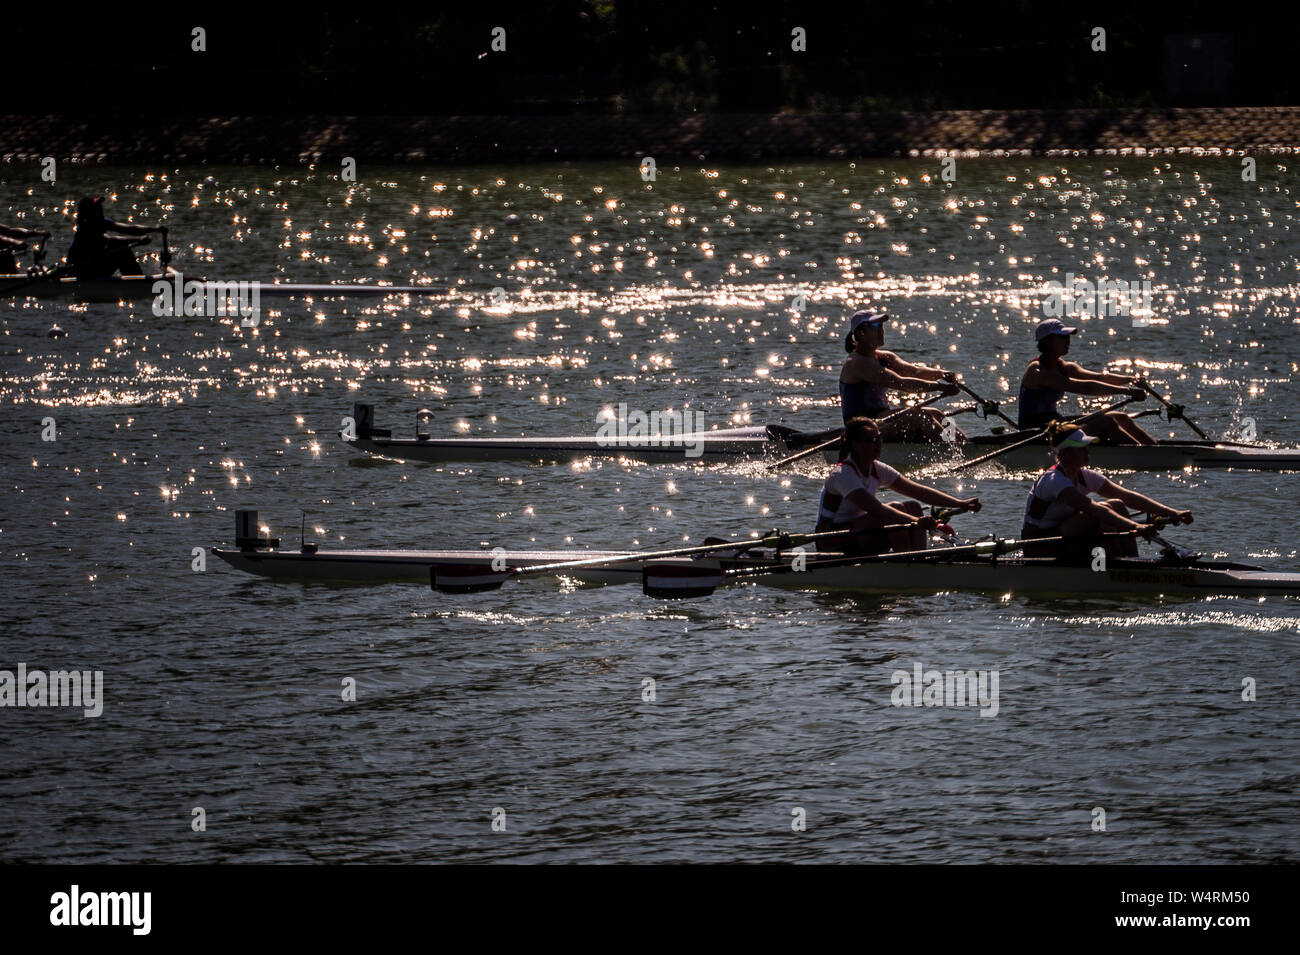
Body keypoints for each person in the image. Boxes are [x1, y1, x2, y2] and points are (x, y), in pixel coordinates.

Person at [1021, 425, 1192, 560]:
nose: (1087, 451)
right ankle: (1113, 564)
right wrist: (1136, 527)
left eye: (1087, 446)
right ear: (1065, 453)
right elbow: (1093, 508)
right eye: (1081, 447)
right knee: (1096, 514)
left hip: (1067, 538)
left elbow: (1127, 497)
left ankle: (1131, 561)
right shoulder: (1053, 480)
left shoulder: (1085, 476)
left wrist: (1173, 513)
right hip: (1040, 544)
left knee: (1117, 504)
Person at [817, 415, 981, 554]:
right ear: (855, 444)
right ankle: (906, 563)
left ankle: (918, 557)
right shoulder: (843, 474)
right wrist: (917, 521)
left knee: (914, 505)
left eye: (879, 438)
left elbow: (920, 492)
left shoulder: (876, 469)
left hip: (861, 533)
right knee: (897, 508)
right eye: (871, 440)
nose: (878, 444)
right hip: (831, 541)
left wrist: (960, 503)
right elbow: (876, 509)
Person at [1018, 318, 1155, 444]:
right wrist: (1128, 392)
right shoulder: (1037, 371)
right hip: (1036, 431)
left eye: (1068, 337)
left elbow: (1099, 378)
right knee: (1106, 422)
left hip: (1055, 423)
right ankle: (1143, 458)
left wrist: (1131, 379)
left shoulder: (1064, 367)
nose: (1067, 341)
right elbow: (1086, 388)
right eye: (1062, 337)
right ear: (1047, 341)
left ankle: (1155, 450)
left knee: (1121, 417)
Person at [840, 309, 963, 442]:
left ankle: (966, 445)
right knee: (920, 416)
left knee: (937, 414)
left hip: (881, 418)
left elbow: (915, 372)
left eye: (881, 325)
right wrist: (941, 388)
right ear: (860, 333)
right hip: (861, 426)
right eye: (875, 326)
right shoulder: (857, 362)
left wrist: (941, 374)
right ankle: (953, 453)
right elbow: (901, 383)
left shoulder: (884, 357)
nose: (881, 330)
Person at [66, 196, 164, 280]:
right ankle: (138, 283)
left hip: (92, 267)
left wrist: (155, 229)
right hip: (80, 271)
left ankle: (137, 280)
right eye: (97, 207)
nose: (101, 208)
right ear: (89, 212)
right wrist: (138, 240)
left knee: (120, 248)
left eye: (100, 206)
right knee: (122, 250)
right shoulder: (86, 228)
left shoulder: (101, 222)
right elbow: (111, 240)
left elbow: (129, 229)